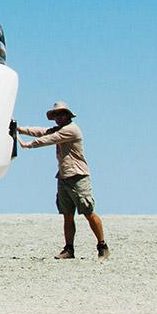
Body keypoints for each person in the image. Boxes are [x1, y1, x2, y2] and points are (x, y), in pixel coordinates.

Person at [17, 101, 108, 260]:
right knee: (67, 215)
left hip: (78, 176)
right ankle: (69, 249)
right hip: (64, 176)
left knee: (88, 211)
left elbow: (50, 139)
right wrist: (20, 129)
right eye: (56, 115)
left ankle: (102, 245)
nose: (58, 117)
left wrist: (28, 145)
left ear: (67, 115)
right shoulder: (59, 129)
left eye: (61, 114)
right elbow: (42, 132)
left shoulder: (71, 130)